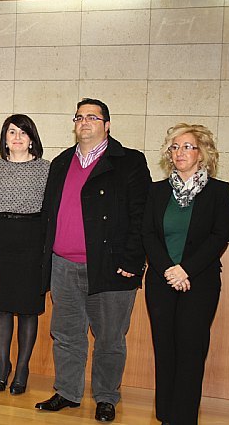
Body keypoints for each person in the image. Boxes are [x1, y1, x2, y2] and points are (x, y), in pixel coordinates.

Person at [35, 98, 151, 422]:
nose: (84, 122)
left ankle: (106, 397)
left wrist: (132, 261)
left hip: (111, 267)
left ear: (107, 125)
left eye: (92, 117)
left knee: (110, 337)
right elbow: (48, 215)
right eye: (79, 117)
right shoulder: (60, 163)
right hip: (63, 266)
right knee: (66, 333)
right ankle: (68, 392)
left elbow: (141, 217)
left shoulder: (129, 162)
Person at [142, 124, 229, 425]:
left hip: (199, 282)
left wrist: (185, 269)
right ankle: (166, 414)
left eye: (187, 146)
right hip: (161, 280)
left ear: (202, 152)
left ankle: (184, 418)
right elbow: (148, 234)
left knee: (191, 351)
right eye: (174, 147)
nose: (179, 152)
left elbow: (220, 236)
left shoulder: (219, 191)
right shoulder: (156, 191)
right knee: (164, 349)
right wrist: (169, 269)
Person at [0, 114, 50, 395]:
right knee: (2, 307)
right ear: (5, 138)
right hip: (1, 239)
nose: (17, 137)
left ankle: (22, 369)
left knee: (28, 309)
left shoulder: (46, 169)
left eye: (23, 132)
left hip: (32, 240)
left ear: (32, 138)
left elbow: (51, 213)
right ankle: (2, 368)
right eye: (11, 132)